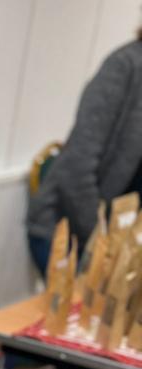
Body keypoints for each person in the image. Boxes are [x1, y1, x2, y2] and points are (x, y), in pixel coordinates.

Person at [27, 34, 142, 275]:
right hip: (70, 234)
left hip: (121, 244)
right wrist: (103, 246)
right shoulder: (125, 66)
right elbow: (75, 168)